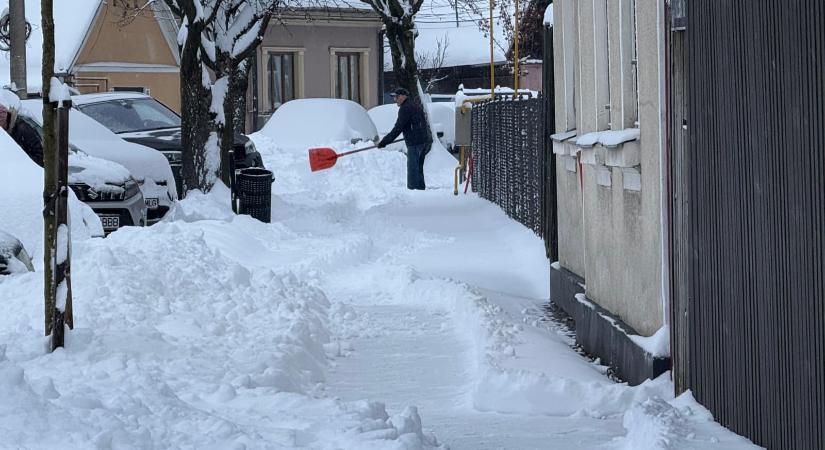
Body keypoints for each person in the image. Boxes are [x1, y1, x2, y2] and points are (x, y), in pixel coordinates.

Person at [377, 87, 432, 190]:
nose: (395, 100)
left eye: (396, 97)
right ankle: (421, 191)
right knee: (418, 169)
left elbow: (398, 128)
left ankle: (414, 192)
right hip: (423, 141)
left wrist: (384, 142)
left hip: (415, 142)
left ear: (403, 97)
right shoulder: (414, 105)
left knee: (412, 170)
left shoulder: (405, 108)